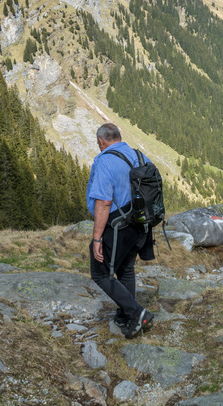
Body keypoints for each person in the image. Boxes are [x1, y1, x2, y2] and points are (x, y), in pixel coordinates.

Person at [87, 122, 154, 339]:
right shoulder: (139, 155)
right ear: (119, 136)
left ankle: (138, 313)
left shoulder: (105, 161)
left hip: (118, 227)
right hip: (140, 224)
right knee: (125, 269)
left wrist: (97, 238)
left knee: (100, 273)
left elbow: (104, 202)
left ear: (101, 141)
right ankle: (126, 316)